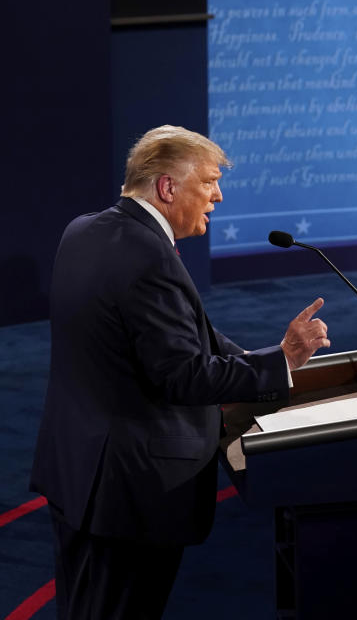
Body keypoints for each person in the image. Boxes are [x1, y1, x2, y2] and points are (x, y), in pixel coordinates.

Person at [29, 125, 331, 618]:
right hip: (130, 492)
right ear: (168, 187)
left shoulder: (86, 230)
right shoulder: (149, 256)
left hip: (78, 472)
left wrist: (274, 360)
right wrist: (284, 362)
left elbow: (191, 340)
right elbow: (184, 376)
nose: (218, 195)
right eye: (209, 182)